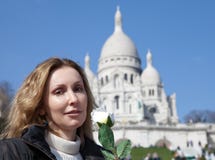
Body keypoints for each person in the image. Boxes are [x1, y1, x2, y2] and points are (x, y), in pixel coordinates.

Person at [0, 57, 105, 160]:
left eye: (78, 89)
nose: (74, 99)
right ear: (40, 106)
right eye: (59, 92)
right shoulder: (10, 153)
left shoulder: (106, 156)